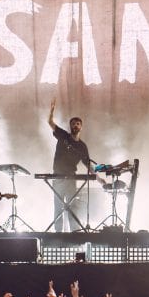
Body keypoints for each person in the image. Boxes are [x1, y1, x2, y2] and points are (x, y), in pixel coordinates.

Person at [47, 99, 96, 232]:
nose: (75, 125)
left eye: (78, 124)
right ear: (70, 126)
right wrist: (52, 110)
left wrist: (99, 178)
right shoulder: (63, 136)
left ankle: (73, 233)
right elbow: (50, 123)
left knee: (71, 206)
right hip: (58, 176)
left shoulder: (82, 146)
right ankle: (58, 235)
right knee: (58, 206)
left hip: (71, 178)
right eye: (73, 123)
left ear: (81, 127)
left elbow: (88, 164)